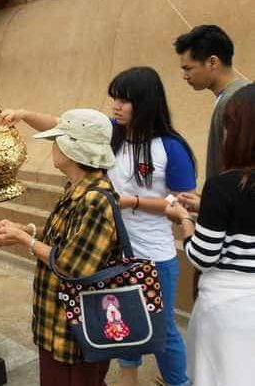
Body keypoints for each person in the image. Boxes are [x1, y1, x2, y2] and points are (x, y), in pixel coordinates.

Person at [0, 109, 121, 386]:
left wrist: (26, 240)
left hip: (75, 336)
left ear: (72, 150)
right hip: (58, 326)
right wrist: (27, 231)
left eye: (57, 140)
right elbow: (65, 241)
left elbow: (72, 266)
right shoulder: (77, 189)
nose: (53, 146)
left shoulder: (95, 199)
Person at [106, 67, 195, 386]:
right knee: (123, 326)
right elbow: (65, 128)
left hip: (155, 259)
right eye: (114, 98)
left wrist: (134, 202)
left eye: (124, 99)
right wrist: (22, 113)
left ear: (144, 102)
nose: (116, 105)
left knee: (163, 330)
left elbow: (183, 203)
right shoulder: (112, 137)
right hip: (117, 257)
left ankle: (178, 382)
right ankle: (128, 379)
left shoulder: (170, 147)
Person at [164, 84, 255, 386]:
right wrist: (209, 208)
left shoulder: (224, 185)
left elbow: (204, 255)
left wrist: (185, 221)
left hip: (228, 309)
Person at [173, 24, 251, 211]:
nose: (184, 76)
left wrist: (211, 205)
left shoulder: (237, 102)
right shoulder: (234, 97)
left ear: (213, 62)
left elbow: (241, 173)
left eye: (188, 68)